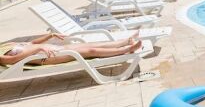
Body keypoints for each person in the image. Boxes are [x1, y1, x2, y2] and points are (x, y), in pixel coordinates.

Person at [0, 33, 142, 66]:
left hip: (53, 49)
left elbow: (31, 42)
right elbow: (14, 60)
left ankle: (124, 42)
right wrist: (41, 47)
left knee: (89, 45)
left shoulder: (5, 45)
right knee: (91, 51)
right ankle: (127, 49)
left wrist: (49, 36)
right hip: (47, 57)